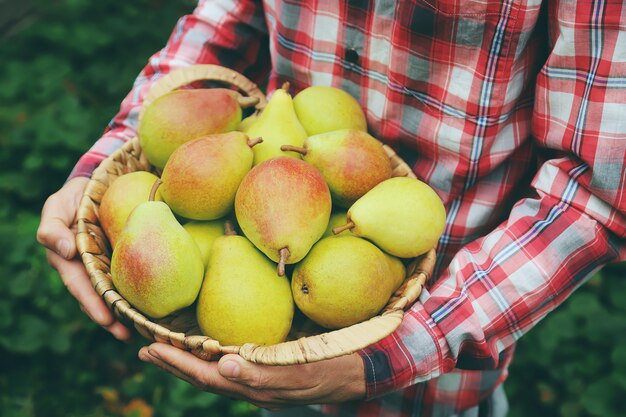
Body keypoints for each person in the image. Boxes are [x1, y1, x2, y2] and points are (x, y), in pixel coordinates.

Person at [37, 0, 626, 416]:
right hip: (268, 313)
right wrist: (108, 160)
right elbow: (229, 13)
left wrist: (404, 348)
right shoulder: (256, 201)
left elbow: (595, 192)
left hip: (432, 358)